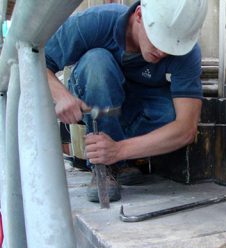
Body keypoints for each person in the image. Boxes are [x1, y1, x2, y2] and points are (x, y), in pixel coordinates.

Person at [45, 0, 208, 202]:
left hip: (136, 104)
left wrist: (120, 150)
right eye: (159, 41)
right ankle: (103, 167)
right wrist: (60, 95)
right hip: (97, 100)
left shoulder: (187, 51)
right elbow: (34, 59)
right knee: (98, 62)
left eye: (171, 47)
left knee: (171, 113)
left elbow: (186, 129)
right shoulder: (96, 22)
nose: (163, 53)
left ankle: (118, 157)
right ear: (139, 15)